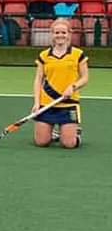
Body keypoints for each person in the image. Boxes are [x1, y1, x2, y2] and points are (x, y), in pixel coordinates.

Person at [32, 18, 88, 149]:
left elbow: (85, 78)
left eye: (63, 32)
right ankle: (55, 134)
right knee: (41, 142)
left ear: (69, 34)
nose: (60, 35)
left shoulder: (78, 54)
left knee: (68, 144)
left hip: (68, 103)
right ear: (52, 34)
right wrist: (36, 102)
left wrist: (73, 87)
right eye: (57, 32)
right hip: (47, 103)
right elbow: (38, 79)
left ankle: (75, 133)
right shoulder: (44, 55)